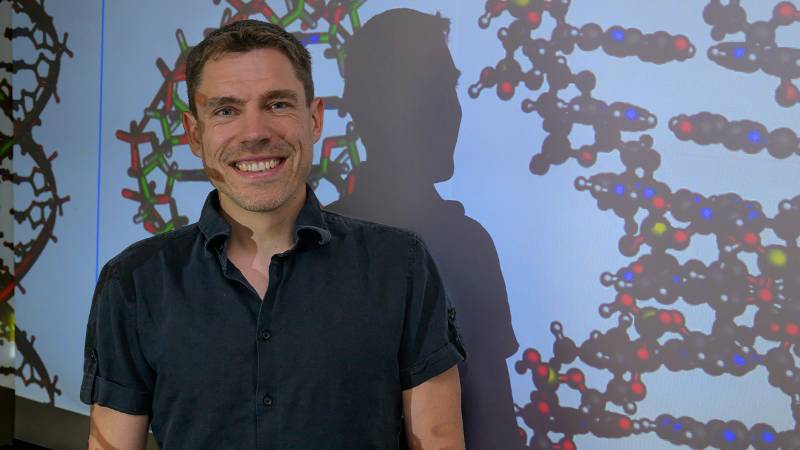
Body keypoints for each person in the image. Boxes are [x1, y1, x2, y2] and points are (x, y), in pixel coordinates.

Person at [81, 19, 466, 450]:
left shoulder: (402, 265)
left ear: (314, 119)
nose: (255, 133)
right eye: (226, 110)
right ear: (194, 133)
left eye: (278, 104)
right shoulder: (135, 282)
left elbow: (439, 439)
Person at [327, 9, 521, 450]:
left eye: (448, 86)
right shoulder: (314, 248)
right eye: (425, 89)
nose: (450, 111)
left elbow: (494, 421)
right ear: (369, 107)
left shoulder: (468, 243)